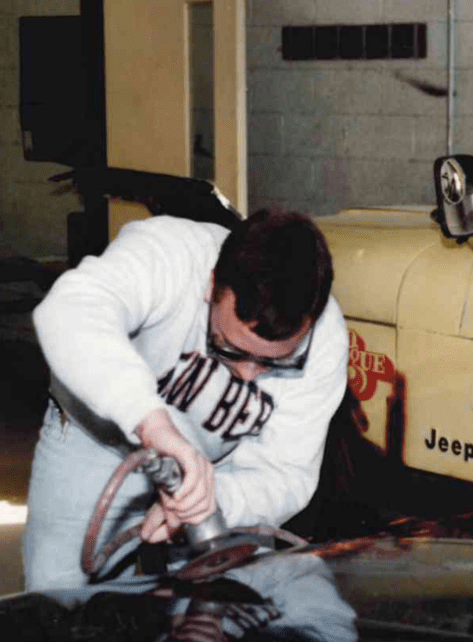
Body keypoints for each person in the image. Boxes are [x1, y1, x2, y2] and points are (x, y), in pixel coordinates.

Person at [24, 209, 349, 591]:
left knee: (224, 611)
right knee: (61, 601)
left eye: (275, 362)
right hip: (98, 443)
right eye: (229, 347)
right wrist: (152, 424)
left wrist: (211, 497)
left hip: (218, 466)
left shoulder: (325, 340)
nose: (247, 375)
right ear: (211, 286)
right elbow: (68, 309)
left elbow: (286, 472)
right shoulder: (170, 254)